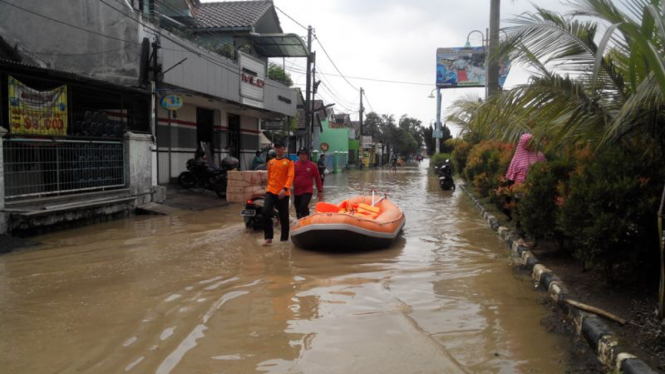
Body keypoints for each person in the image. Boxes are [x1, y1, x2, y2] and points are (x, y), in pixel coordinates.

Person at [263, 143, 294, 246]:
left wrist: (285, 189)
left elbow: (290, 177)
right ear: (274, 149)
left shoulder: (289, 162)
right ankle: (268, 238)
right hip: (271, 190)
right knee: (265, 211)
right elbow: (269, 177)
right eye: (276, 147)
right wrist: (268, 188)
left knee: (284, 217)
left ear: (284, 149)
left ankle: (284, 240)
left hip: (283, 193)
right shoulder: (270, 163)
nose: (278, 149)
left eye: (280, 147)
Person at [293, 147, 323, 219]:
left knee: (303, 205)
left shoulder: (312, 165)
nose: (302, 156)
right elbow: (290, 177)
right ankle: (303, 221)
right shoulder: (294, 165)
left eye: (304, 154)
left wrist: (320, 191)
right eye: (300, 154)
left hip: (307, 190)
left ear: (307, 155)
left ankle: (306, 219)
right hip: (297, 191)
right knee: (298, 208)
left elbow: (317, 178)